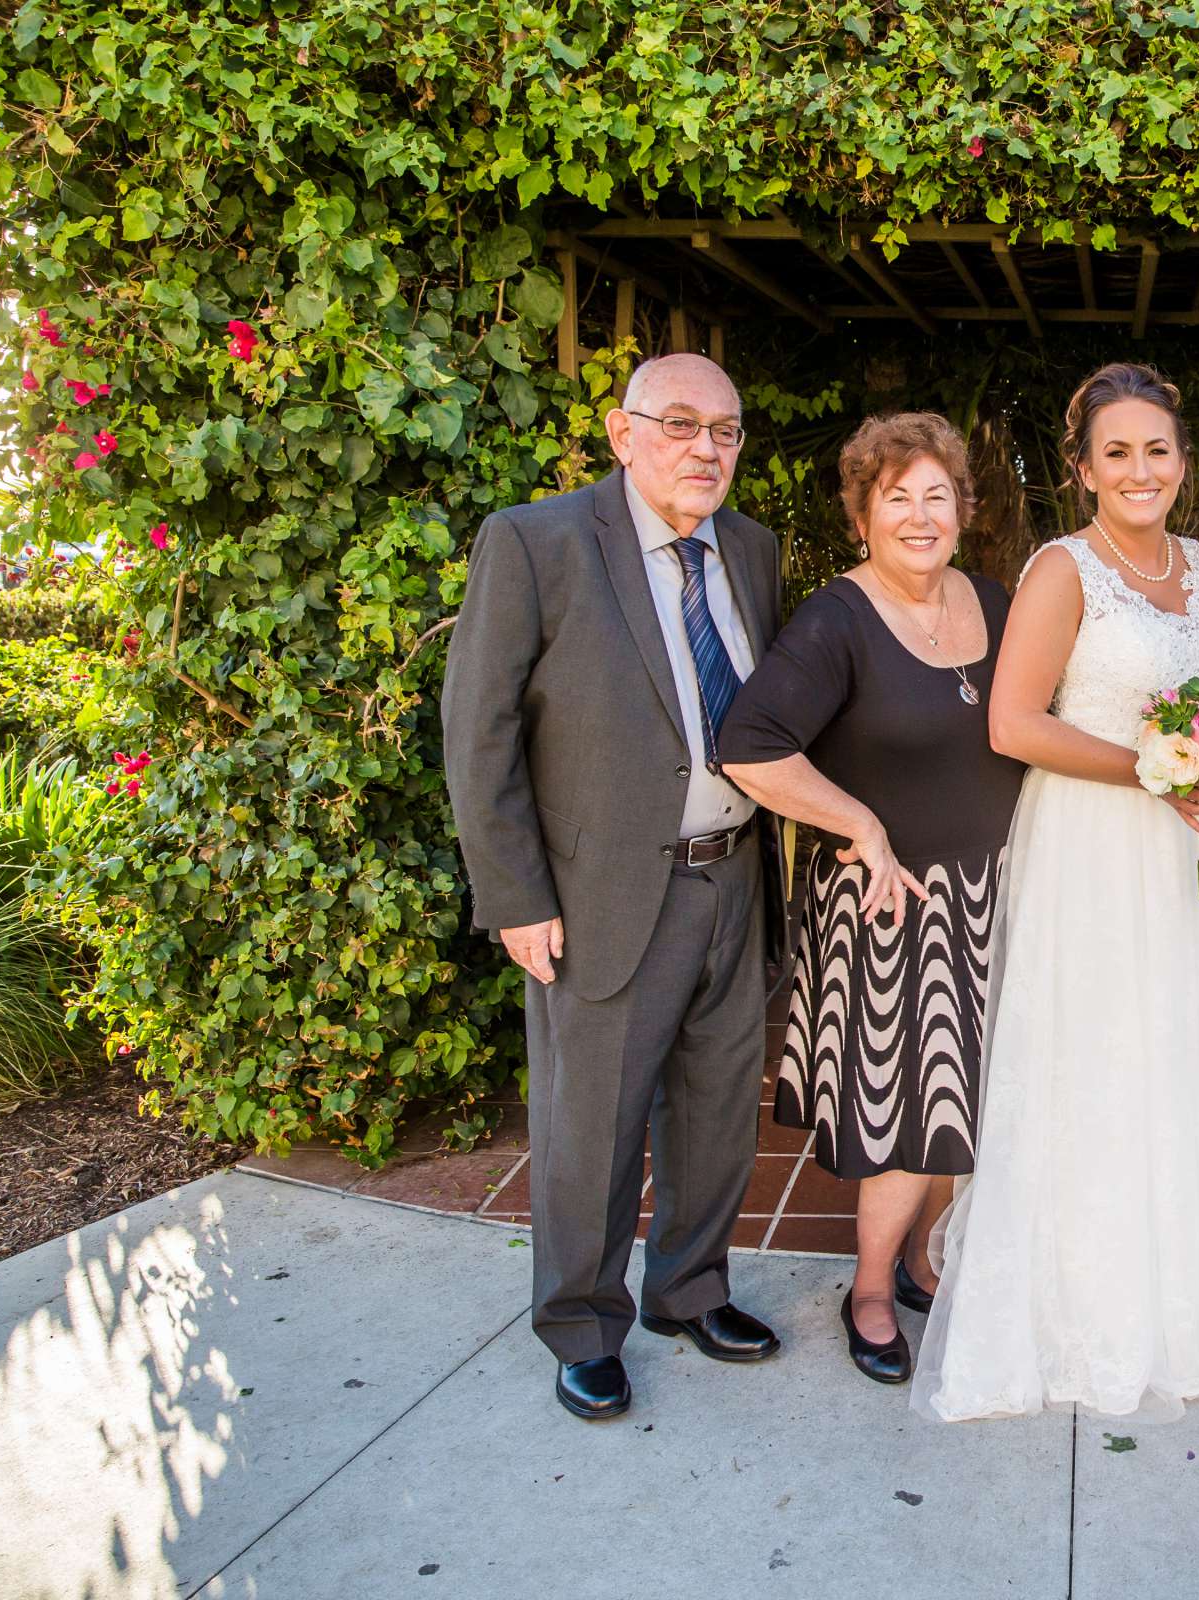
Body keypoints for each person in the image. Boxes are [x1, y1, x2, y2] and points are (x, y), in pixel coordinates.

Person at [913, 363, 1199, 1422]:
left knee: (1181, 1055)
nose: (1139, 469)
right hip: (1096, 847)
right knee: (1098, 1061)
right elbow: (1014, 723)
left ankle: (1189, 1309)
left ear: (1182, 461)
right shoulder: (1063, 570)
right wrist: (1152, 771)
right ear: (1081, 469)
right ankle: (1086, 1311)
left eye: (1156, 449)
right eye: (1115, 452)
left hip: (1194, 850)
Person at [441, 353, 782, 1422]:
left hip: (734, 880)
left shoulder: (755, 551)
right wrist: (515, 896)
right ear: (622, 431)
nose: (706, 449)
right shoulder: (536, 543)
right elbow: (479, 729)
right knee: (593, 1125)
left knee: (720, 1109)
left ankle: (688, 1289)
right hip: (599, 896)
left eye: (725, 430)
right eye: (680, 424)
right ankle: (584, 1324)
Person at [717, 413, 1025, 1385]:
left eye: (938, 494)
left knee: (975, 1105)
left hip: (995, 897)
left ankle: (929, 1259)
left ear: (964, 510)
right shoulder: (836, 620)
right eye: (898, 497)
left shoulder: (999, 604)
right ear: (863, 516)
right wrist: (859, 824)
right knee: (908, 1115)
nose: (921, 514)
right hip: (888, 907)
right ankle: (873, 1288)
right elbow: (752, 746)